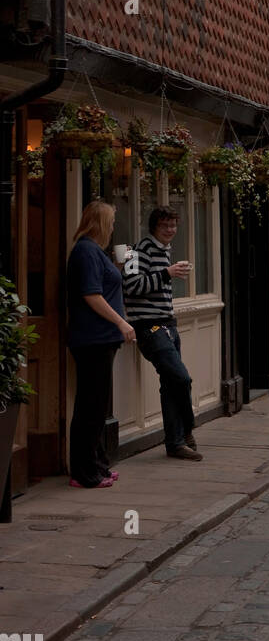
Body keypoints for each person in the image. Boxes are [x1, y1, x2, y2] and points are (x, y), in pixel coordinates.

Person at [123, 207, 202, 461]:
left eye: (173, 225)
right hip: (151, 327)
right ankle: (187, 429)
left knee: (170, 385)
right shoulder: (137, 251)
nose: (170, 230)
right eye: (165, 226)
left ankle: (175, 443)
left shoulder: (165, 251)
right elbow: (131, 286)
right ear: (154, 227)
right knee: (181, 379)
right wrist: (167, 273)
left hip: (168, 325)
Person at [66, 200, 136, 488]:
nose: (113, 227)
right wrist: (121, 322)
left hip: (102, 339)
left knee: (97, 407)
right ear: (101, 222)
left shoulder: (95, 252)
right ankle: (83, 474)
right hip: (92, 338)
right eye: (111, 221)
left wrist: (118, 265)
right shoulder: (85, 251)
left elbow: (104, 286)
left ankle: (97, 465)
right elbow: (92, 295)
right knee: (89, 407)